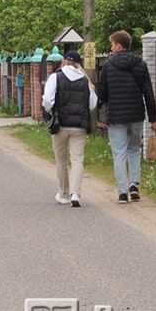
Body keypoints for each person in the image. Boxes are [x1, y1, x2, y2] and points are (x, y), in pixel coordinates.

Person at [98, 30, 156, 204]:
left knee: (119, 153)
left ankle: (123, 192)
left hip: (116, 116)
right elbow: (148, 93)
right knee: (134, 150)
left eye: (112, 44)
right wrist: (153, 118)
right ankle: (134, 185)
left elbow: (103, 93)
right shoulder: (140, 64)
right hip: (136, 114)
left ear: (118, 46)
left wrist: (102, 105)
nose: (111, 48)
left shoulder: (108, 67)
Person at [42, 50, 98, 208]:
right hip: (79, 126)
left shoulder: (55, 77)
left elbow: (47, 100)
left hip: (60, 124)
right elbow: (92, 104)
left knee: (61, 160)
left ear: (64, 61)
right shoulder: (85, 80)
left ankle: (64, 193)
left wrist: (51, 111)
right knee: (77, 160)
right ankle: (76, 194)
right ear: (78, 63)